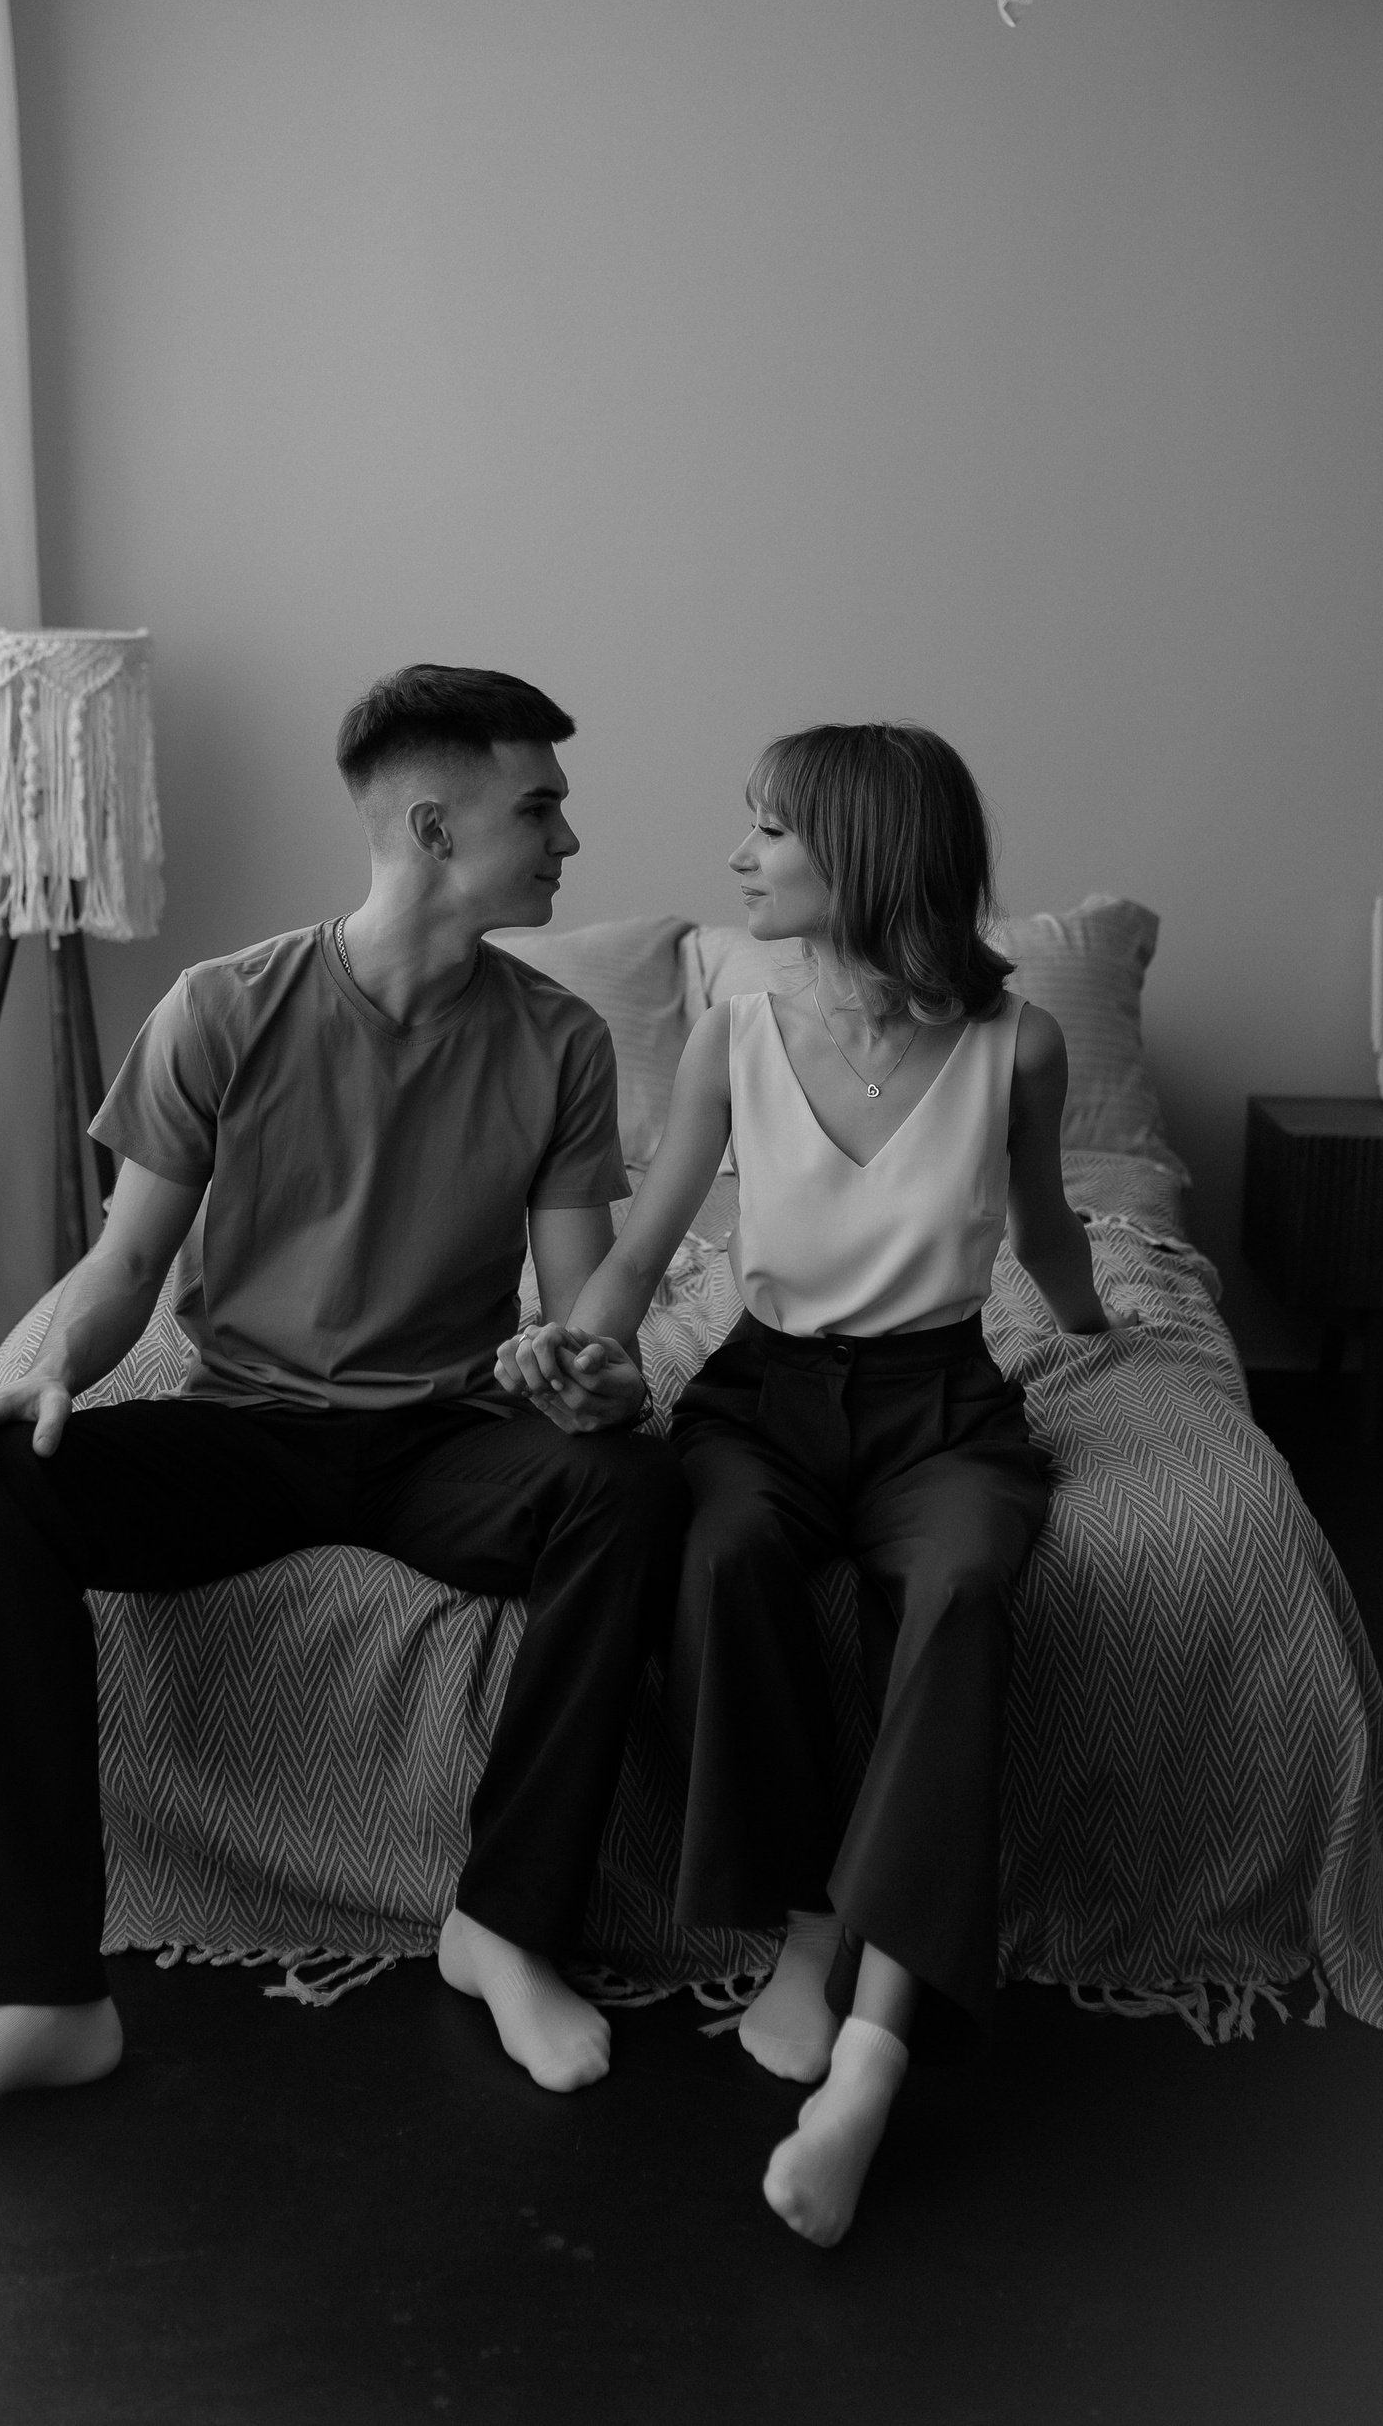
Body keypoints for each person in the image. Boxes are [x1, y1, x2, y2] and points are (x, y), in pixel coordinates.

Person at [0, 664, 680, 2172]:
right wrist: (39, 1372)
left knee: (630, 1486)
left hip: (441, 1437)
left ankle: (504, 1926)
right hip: (243, 1427)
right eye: (541, 807)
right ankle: (36, 1998)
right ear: (434, 828)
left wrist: (598, 1377)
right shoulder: (223, 1008)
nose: (569, 838)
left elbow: (575, 1312)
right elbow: (124, 1268)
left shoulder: (559, 1040)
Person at [497, 722, 1110, 2247]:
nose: (739, 856)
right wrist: (577, 1349)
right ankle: (806, 1929)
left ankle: (877, 2053)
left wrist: (1108, 1334)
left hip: (944, 1407)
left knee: (963, 1584)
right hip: (763, 1398)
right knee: (726, 1556)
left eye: (769, 828)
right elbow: (643, 1248)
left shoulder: (1021, 1046)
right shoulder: (735, 1032)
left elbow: (1047, 1229)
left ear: (867, 852)